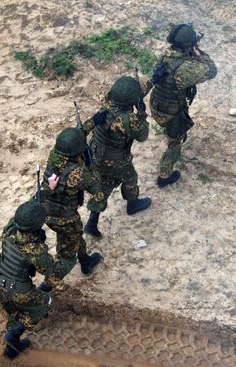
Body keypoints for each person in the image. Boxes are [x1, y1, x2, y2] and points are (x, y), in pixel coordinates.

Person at [0, 201, 76, 359]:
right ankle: (13, 335)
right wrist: (68, 262)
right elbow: (51, 272)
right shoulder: (35, 251)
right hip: (20, 292)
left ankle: (11, 348)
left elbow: (22, 216)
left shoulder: (9, 231)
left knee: (16, 310)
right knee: (43, 306)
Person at [83, 76, 152, 238]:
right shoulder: (127, 120)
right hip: (115, 160)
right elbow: (142, 135)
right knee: (129, 178)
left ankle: (92, 222)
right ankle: (132, 204)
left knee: (103, 185)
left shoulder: (106, 103)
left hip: (96, 153)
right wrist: (141, 113)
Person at [150, 23, 217, 187]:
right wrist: (198, 52)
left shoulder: (167, 55)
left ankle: (171, 132)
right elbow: (211, 70)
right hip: (171, 112)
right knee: (175, 143)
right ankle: (164, 177)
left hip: (156, 104)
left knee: (172, 128)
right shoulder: (185, 68)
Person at [40, 126, 106, 276]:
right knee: (66, 257)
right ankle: (46, 288)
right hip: (64, 218)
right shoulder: (79, 173)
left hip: (45, 210)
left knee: (75, 236)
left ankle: (85, 260)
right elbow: (98, 193)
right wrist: (92, 168)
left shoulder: (54, 155)